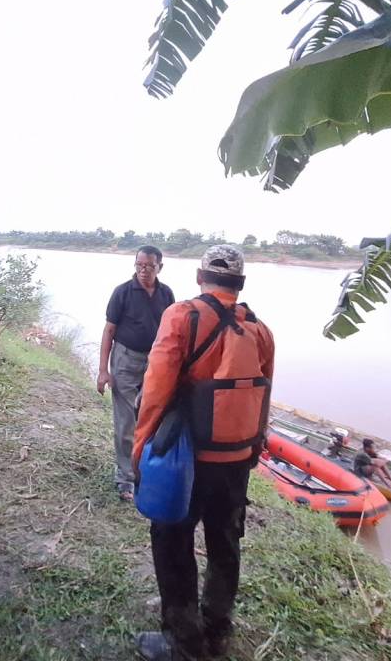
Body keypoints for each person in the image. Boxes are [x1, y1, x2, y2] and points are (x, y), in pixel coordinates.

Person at [133, 245, 275, 661]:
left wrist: (141, 447)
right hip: (236, 461)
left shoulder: (182, 316)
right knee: (225, 541)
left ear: (199, 278)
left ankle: (182, 641)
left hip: (188, 461)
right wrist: (253, 449)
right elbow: (264, 397)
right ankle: (217, 626)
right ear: (241, 283)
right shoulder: (261, 330)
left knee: (173, 541)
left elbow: (156, 389)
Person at [98, 245, 175, 501]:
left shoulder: (166, 294)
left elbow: (171, 333)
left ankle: (144, 471)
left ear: (159, 267)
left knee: (151, 420)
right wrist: (102, 371)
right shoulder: (122, 292)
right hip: (125, 361)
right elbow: (109, 331)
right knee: (125, 423)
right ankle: (125, 479)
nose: (143, 270)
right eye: (139, 265)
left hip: (154, 364)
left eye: (149, 266)